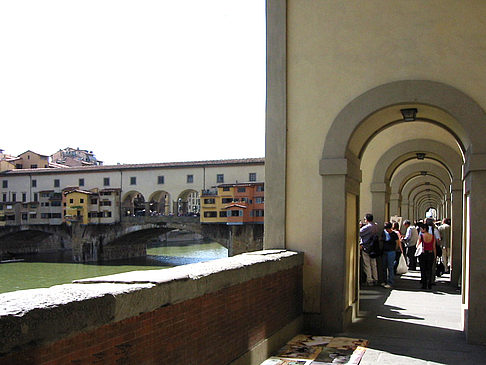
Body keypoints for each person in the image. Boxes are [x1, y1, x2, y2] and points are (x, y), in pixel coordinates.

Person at [359, 213, 379, 286]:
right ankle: (376, 278)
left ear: (367, 219)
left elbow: (358, 233)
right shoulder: (376, 226)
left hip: (366, 247)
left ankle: (369, 280)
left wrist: (360, 226)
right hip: (374, 247)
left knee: (367, 264)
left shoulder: (367, 227)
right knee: (374, 264)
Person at [417, 222, 437, 289]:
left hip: (423, 254)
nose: (420, 230)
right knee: (429, 269)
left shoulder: (421, 236)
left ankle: (424, 284)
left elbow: (417, 245)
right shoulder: (432, 236)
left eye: (421, 229)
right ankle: (429, 283)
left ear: (424, 229)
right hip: (430, 253)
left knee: (423, 269)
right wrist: (435, 255)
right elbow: (434, 247)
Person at [381, 222, 400, 289]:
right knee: (384, 267)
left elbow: (397, 242)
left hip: (391, 252)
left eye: (388, 229)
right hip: (385, 251)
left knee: (390, 267)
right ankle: (384, 281)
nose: (387, 230)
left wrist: (395, 249)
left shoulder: (394, 234)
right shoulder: (384, 233)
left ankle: (390, 282)